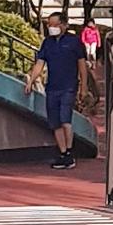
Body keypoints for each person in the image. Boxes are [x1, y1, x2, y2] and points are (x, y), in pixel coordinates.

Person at [26, 13, 86, 167]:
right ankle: (63, 152)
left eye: (55, 25)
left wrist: (83, 87)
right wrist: (31, 81)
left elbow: (82, 65)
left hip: (69, 86)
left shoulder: (74, 42)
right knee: (55, 122)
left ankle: (70, 152)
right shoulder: (47, 43)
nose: (51, 28)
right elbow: (40, 63)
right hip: (52, 87)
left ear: (64, 25)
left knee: (65, 119)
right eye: (49, 25)